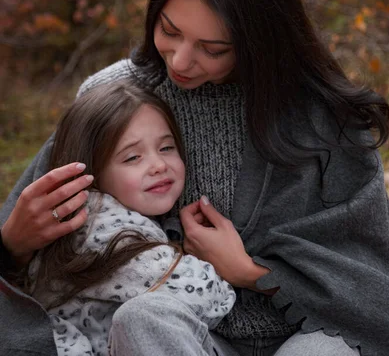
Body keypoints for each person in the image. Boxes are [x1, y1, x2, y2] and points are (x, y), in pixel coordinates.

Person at [1, 0, 389, 356]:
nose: (181, 61)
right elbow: (48, 253)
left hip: (312, 334)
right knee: (142, 317)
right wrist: (13, 243)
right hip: (193, 337)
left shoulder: (323, 118)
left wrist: (251, 272)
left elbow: (365, 277)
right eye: (169, 31)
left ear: (259, 42)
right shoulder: (116, 96)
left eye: (213, 49)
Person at [25, 80, 236, 356]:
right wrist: (222, 263)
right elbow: (207, 297)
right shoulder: (105, 231)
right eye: (133, 157)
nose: (158, 165)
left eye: (166, 148)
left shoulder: (88, 219)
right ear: (92, 172)